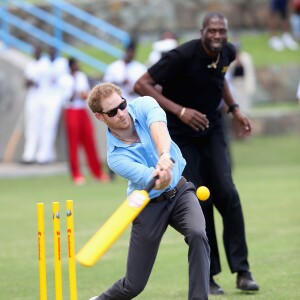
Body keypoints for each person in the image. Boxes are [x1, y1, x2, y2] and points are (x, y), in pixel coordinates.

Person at [134, 12, 259, 295]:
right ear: (202, 31)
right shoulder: (181, 56)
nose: (217, 36)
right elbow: (141, 84)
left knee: (227, 192)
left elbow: (220, 79)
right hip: (181, 135)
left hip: (212, 129)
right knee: (200, 200)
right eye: (212, 30)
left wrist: (235, 109)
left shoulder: (227, 51)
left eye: (221, 31)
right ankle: (210, 276)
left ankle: (243, 271)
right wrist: (179, 110)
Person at [87, 82, 210, 300]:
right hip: (148, 206)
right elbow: (152, 180)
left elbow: (158, 127)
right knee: (133, 286)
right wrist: (160, 177)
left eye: (122, 105)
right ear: (100, 117)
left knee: (198, 233)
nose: (121, 113)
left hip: (180, 192)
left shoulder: (144, 104)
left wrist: (164, 155)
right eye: (113, 112)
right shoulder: (115, 158)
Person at [61, 58, 110, 185]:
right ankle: (76, 174)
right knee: (73, 143)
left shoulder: (81, 76)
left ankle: (97, 172)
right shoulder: (65, 79)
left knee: (89, 139)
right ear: (71, 66)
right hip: (71, 109)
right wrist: (77, 92)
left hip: (81, 109)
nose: (78, 66)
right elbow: (68, 97)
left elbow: (86, 94)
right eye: (76, 64)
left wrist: (83, 94)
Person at [35, 46, 69, 164]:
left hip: (56, 98)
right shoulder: (44, 64)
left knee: (49, 126)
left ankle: (44, 155)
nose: (51, 52)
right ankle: (46, 153)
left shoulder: (61, 64)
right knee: (41, 126)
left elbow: (65, 82)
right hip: (43, 97)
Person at [21, 44, 50, 164]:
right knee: (31, 125)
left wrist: (34, 80)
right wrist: (31, 81)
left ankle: (43, 155)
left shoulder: (46, 64)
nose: (36, 52)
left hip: (45, 98)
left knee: (45, 126)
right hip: (32, 98)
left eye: (38, 50)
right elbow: (26, 82)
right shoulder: (30, 65)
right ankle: (29, 155)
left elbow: (46, 81)